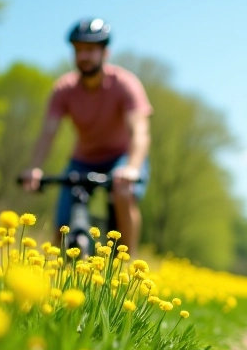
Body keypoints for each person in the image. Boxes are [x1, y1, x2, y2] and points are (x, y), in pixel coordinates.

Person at [22, 18, 152, 254]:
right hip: (84, 159)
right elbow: (48, 133)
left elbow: (139, 131)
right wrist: (34, 167)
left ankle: (127, 263)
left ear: (105, 52)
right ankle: (59, 273)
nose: (84, 56)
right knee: (61, 223)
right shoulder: (64, 89)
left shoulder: (125, 84)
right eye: (79, 50)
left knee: (123, 193)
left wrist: (132, 167)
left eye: (91, 50)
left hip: (122, 157)